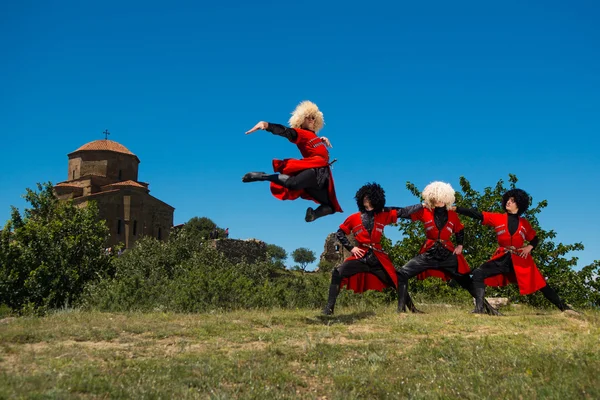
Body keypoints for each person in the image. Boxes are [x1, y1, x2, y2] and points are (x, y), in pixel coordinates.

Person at [455, 188, 576, 314]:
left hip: (520, 259)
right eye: (508, 199)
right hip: (502, 258)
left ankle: (565, 308)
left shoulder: (524, 224)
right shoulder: (497, 218)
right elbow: (476, 214)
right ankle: (479, 309)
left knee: (541, 284)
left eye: (512, 201)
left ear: (519, 204)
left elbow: (534, 239)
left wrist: (529, 247)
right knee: (478, 273)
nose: (508, 202)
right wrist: (456, 209)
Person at [396, 181, 500, 315]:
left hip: (447, 254)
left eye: (440, 197)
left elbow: (459, 230)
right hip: (429, 252)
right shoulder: (424, 211)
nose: (437, 200)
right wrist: (420, 205)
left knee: (467, 281)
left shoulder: (452, 214)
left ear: (446, 198)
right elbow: (402, 213)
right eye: (434, 197)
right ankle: (403, 310)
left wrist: (460, 245)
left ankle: (489, 309)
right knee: (401, 274)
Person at [322, 182, 423, 315]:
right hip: (360, 256)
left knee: (397, 280)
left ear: (375, 199)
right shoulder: (353, 218)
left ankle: (412, 309)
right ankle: (329, 309)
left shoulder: (382, 215)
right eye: (364, 197)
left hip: (377, 258)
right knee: (338, 273)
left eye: (369, 197)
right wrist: (351, 248)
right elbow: (340, 233)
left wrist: (423, 205)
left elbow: (403, 212)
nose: (365, 199)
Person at [243, 101, 343, 222]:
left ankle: (312, 215)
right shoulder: (301, 133)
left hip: (324, 177)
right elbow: (286, 132)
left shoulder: (315, 136)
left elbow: (315, 143)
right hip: (314, 170)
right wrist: (267, 125)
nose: (311, 120)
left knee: (331, 207)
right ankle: (262, 176)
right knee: (293, 184)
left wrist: (322, 139)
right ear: (301, 119)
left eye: (313, 117)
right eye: (308, 117)